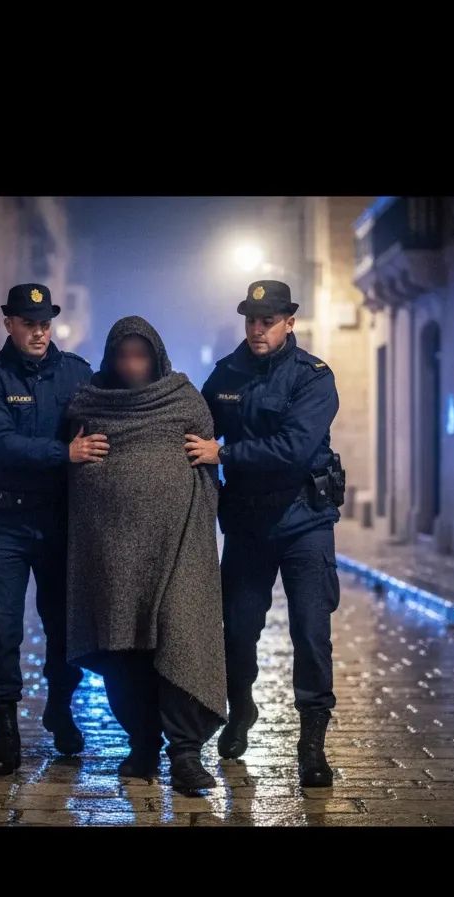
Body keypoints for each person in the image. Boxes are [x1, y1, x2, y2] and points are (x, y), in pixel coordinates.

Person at [189, 280, 344, 788]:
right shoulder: (226, 373)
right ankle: (241, 711)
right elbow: (193, 425)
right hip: (249, 523)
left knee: (310, 632)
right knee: (235, 629)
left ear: (289, 322)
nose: (258, 329)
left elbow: (294, 448)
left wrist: (226, 454)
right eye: (252, 320)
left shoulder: (312, 378)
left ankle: (311, 743)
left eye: (268, 320)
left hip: (305, 521)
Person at [66, 316, 227, 795]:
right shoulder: (89, 402)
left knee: (179, 638)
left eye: (140, 355)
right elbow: (74, 468)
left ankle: (185, 753)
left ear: (156, 356)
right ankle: (141, 745)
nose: (131, 364)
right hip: (112, 551)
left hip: (179, 546)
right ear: (110, 358)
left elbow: (205, 466)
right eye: (123, 355)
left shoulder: (183, 398)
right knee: (124, 651)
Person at [0, 283, 108, 776]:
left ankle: (61, 709)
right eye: (29, 323)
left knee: (65, 629)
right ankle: (5, 734)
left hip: (60, 519)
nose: (39, 332)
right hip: (5, 521)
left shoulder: (78, 374)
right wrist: (62, 453)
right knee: (1, 626)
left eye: (45, 323)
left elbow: (110, 424)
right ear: (9, 323)